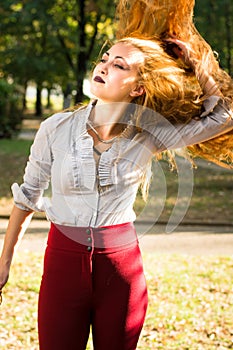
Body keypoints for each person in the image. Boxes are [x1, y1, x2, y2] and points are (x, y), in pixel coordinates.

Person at [0, 1, 233, 350]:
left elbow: (224, 115)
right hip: (62, 266)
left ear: (137, 87)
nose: (105, 66)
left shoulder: (150, 135)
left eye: (119, 64)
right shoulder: (55, 128)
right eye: (105, 59)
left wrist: (196, 62)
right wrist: (4, 263)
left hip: (121, 272)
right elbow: (28, 195)